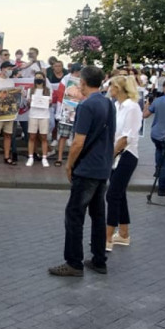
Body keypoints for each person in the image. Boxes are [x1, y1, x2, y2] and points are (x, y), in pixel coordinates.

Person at [48, 66, 115, 277]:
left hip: (86, 168)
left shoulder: (86, 105)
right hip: (102, 165)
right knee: (98, 214)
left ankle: (74, 262)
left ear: (84, 83)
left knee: (75, 214)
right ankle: (98, 259)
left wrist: (69, 164)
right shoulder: (108, 102)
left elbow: (78, 141)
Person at [105, 76, 143, 252]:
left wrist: (110, 156)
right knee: (119, 193)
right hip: (116, 153)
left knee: (112, 195)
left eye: (112, 85)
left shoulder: (132, 107)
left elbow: (127, 137)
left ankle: (107, 238)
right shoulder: (116, 105)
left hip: (126, 155)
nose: (109, 87)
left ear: (120, 88)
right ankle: (124, 234)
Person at [54, 63, 82, 167]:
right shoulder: (65, 79)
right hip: (67, 110)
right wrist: (58, 113)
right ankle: (60, 158)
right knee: (63, 135)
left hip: (79, 110)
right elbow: (60, 96)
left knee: (77, 137)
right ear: (76, 71)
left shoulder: (83, 80)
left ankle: (74, 159)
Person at [26, 72, 52, 167]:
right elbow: (28, 104)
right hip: (33, 115)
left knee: (44, 137)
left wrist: (49, 102)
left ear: (44, 79)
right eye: (37, 77)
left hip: (44, 116)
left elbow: (50, 104)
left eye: (40, 77)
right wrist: (29, 102)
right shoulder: (30, 90)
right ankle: (30, 157)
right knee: (32, 137)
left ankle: (44, 158)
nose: (38, 79)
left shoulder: (48, 90)